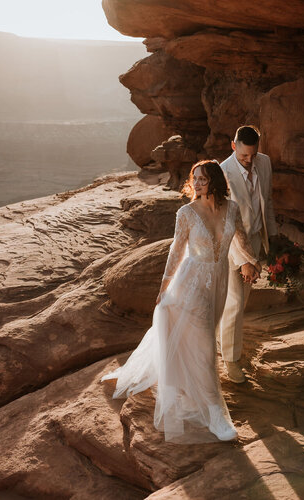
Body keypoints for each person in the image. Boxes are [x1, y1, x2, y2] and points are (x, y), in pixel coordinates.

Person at [102, 160, 260, 444]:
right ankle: (215, 414)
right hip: (190, 283)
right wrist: (164, 288)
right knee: (205, 347)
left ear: (215, 181)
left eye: (202, 179)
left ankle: (171, 382)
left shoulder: (232, 209)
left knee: (202, 340)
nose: (196, 183)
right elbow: (177, 250)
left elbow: (241, 239)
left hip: (219, 281)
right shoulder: (186, 213)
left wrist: (250, 262)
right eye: (194, 179)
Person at [219, 126, 278, 384]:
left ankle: (225, 343)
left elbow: (269, 201)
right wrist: (244, 260)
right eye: (244, 156)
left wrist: (273, 240)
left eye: (253, 155)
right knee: (233, 303)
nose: (250, 160)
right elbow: (226, 223)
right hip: (230, 244)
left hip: (255, 239)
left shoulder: (264, 163)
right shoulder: (222, 172)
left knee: (240, 303)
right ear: (234, 146)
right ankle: (231, 362)